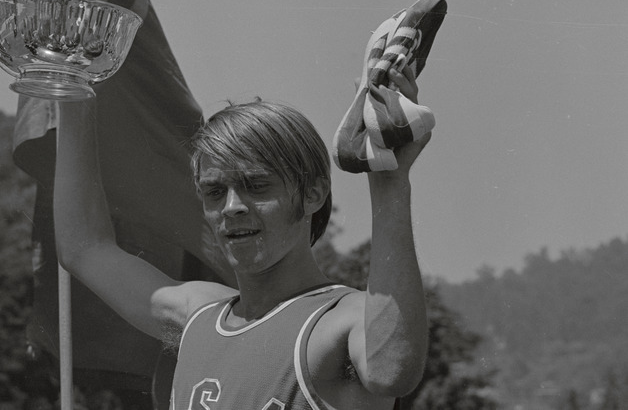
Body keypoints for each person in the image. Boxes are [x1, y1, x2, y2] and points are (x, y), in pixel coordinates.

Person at [53, 60, 430, 408]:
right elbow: (84, 247)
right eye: (215, 192)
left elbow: (391, 372)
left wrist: (389, 182)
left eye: (257, 185)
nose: (231, 206)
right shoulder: (196, 315)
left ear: (313, 193)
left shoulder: (343, 317)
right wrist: (74, 94)